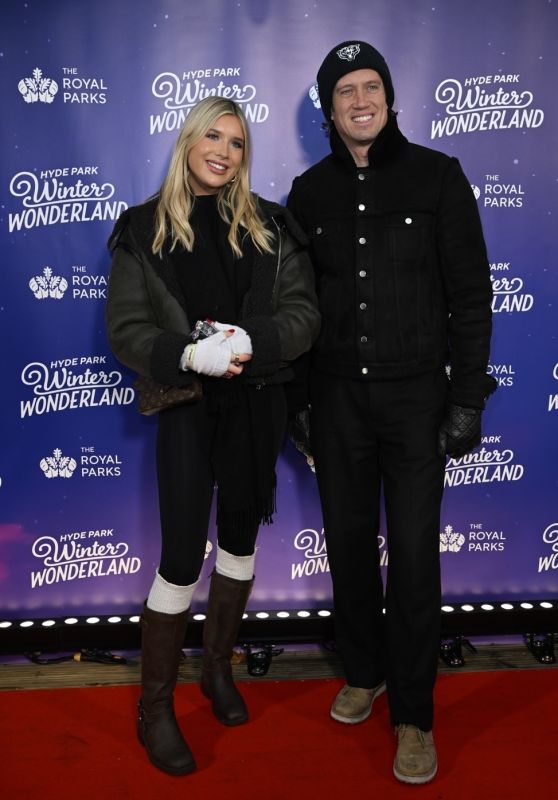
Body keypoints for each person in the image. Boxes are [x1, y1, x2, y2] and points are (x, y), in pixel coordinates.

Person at [287, 41, 496, 785]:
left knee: (411, 556)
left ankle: (413, 714)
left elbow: (472, 296)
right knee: (347, 546)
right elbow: (298, 309)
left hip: (417, 402)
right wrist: (297, 405)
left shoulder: (439, 177)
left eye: (371, 85)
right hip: (337, 400)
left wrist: (466, 398)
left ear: (391, 97)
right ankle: (364, 673)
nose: (360, 99)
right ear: (329, 107)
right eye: (345, 90)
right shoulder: (307, 193)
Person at [106, 96, 320, 776]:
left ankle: (217, 671)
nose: (224, 150)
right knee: (178, 558)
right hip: (189, 406)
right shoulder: (143, 229)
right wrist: (186, 354)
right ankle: (156, 707)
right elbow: (126, 329)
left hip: (257, 406)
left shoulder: (272, 227)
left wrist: (258, 341)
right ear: (189, 140)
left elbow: (305, 314)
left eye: (236, 141)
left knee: (239, 541)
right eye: (212, 136)